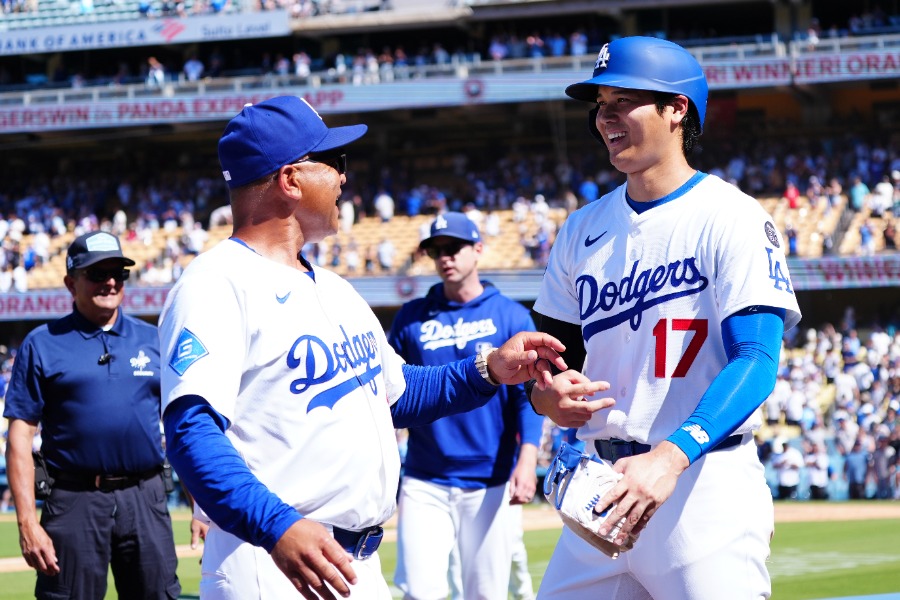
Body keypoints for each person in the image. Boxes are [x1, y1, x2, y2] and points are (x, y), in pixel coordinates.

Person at [157, 96, 569, 600]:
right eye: (334, 161)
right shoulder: (214, 284)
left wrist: (487, 370)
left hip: (356, 560)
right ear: (290, 179)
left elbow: (396, 394)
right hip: (275, 559)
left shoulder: (334, 287)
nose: (343, 177)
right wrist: (275, 526)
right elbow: (191, 431)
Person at [527, 37, 802, 599]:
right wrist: (545, 397)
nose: (605, 118)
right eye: (600, 105)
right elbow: (553, 364)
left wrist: (673, 455)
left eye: (623, 102)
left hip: (701, 483)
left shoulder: (730, 216)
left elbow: (757, 359)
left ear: (677, 109)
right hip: (601, 488)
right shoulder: (581, 228)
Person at [2, 231, 181, 599]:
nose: (110, 281)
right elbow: (19, 436)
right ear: (71, 283)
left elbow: (183, 426)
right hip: (73, 499)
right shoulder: (42, 343)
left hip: (145, 497)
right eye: (97, 273)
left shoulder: (154, 339)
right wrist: (27, 522)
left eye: (118, 272)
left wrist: (202, 508)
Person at [388, 212, 544, 599]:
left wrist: (527, 459)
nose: (445, 256)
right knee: (419, 592)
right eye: (436, 250)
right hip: (425, 477)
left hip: (490, 478)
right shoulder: (410, 318)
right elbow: (388, 393)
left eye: (454, 247)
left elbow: (527, 396)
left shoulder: (510, 315)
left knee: (485, 593)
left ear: (478, 249)